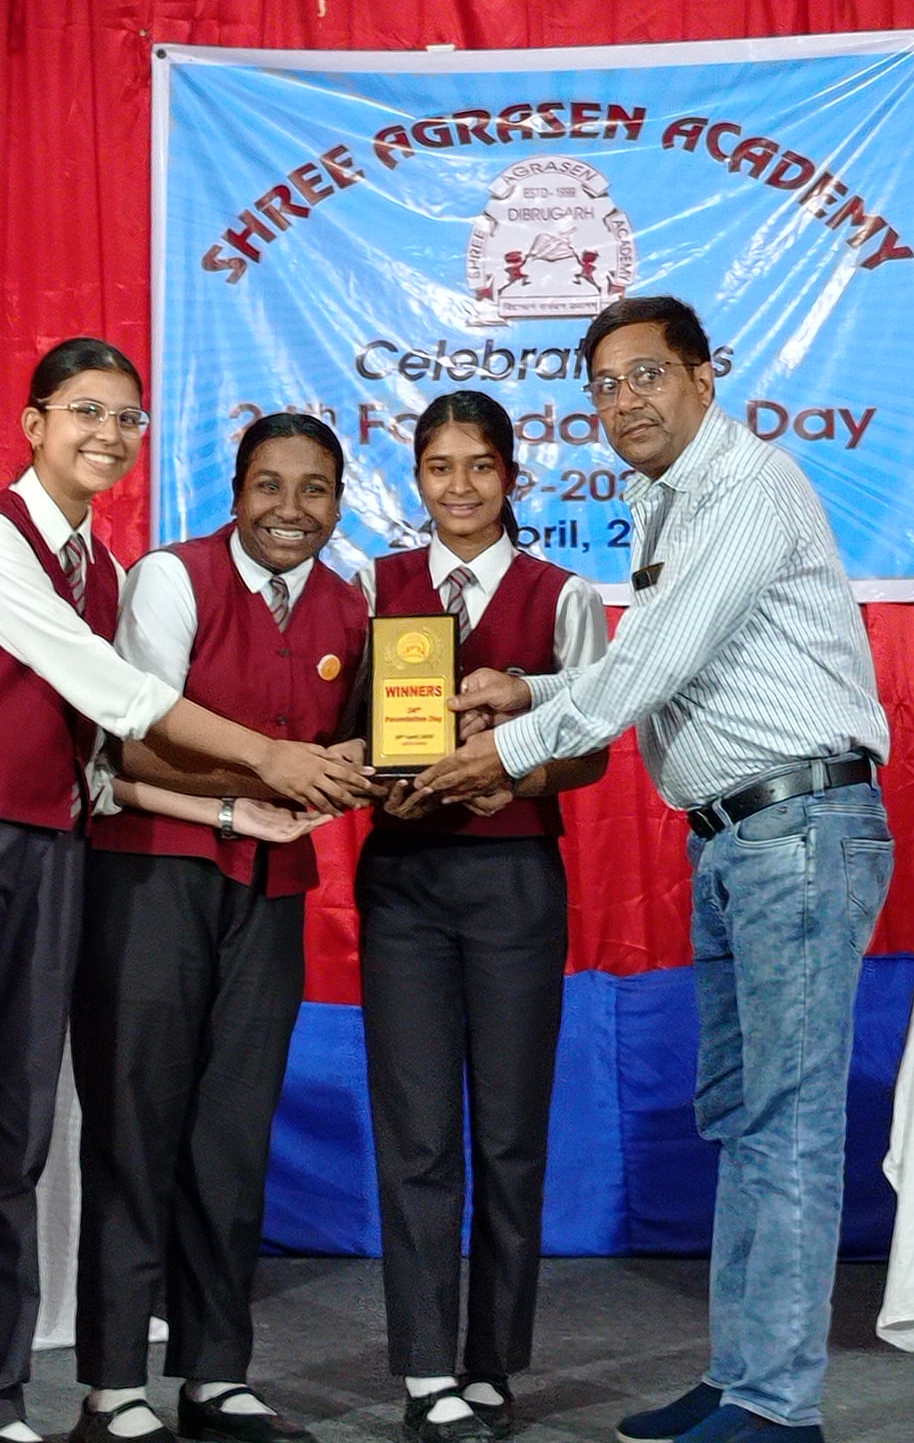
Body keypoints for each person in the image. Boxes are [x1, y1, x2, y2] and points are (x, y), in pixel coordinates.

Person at [390, 295, 892, 1443]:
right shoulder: (666, 498)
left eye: (647, 375)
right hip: (736, 837)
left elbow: (650, 667)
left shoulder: (748, 487)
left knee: (786, 1121)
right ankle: (741, 1375)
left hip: (799, 831)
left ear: (705, 376)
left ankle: (778, 1404)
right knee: (746, 1118)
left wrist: (505, 749)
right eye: (605, 386)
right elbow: (659, 661)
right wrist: (527, 689)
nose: (624, 402)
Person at [0, 340, 367, 1443]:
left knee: (14, 1145)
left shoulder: (99, 564)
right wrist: (267, 761)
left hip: (55, 843)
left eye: (127, 418)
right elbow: (118, 698)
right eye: (86, 411)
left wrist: (236, 813)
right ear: (35, 421)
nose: (108, 433)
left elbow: (97, 766)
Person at [67, 412, 379, 1443]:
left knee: (234, 1135)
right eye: (269, 486)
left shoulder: (352, 602)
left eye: (315, 489)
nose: (291, 509)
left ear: (339, 501)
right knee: (135, 1125)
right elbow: (131, 740)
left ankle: (215, 1377)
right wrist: (263, 777)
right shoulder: (173, 578)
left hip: (271, 889)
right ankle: (114, 1387)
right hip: (153, 877)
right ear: (236, 491)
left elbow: (357, 747)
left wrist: (392, 754)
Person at [356, 390, 613, 1443]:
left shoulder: (565, 595)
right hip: (403, 880)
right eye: (439, 467)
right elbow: (350, 728)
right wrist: (380, 782)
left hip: (513, 880)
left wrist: (517, 776)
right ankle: (426, 1369)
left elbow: (592, 747)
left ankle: (493, 1362)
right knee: (416, 1131)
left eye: (479, 466)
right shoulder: (372, 586)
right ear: (415, 478)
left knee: (509, 1132)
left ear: (513, 477)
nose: (458, 487)